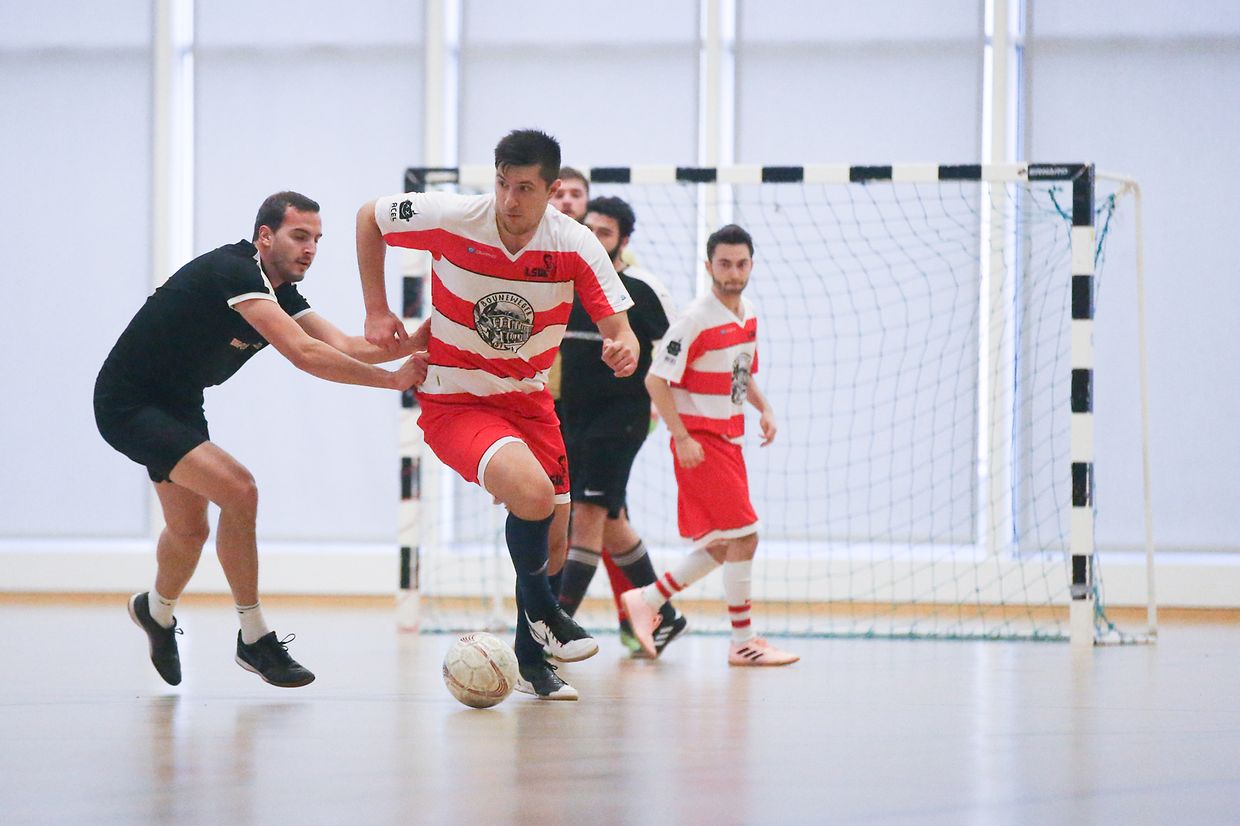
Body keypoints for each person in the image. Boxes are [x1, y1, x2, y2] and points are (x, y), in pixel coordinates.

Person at [95, 192, 428, 688]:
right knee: (240, 490)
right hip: (129, 402)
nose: (310, 249)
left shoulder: (279, 292)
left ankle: (155, 611)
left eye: (317, 240)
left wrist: (421, 342)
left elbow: (341, 345)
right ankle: (254, 637)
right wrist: (391, 381)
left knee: (189, 532)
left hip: (178, 404)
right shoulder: (236, 272)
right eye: (300, 236)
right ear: (265, 236)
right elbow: (303, 354)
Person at [356, 129, 640, 700]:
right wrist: (377, 308)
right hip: (455, 398)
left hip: (529, 402)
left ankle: (531, 664)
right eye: (503, 184)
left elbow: (621, 329)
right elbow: (369, 217)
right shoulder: (453, 217)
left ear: (552, 191)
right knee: (533, 495)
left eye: (526, 188)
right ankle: (547, 615)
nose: (510, 199)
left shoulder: (575, 244)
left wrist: (624, 348)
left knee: (554, 543)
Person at [622, 224, 799, 666]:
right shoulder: (694, 319)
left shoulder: (748, 315)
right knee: (746, 536)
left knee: (723, 544)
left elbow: (742, 374)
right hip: (701, 442)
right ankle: (743, 641)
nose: (733, 273)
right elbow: (655, 380)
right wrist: (682, 437)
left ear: (751, 265)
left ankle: (647, 600)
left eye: (741, 264)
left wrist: (765, 408)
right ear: (708, 266)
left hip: (731, 440)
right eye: (724, 264)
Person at [557, 196, 688, 656]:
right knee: (612, 521)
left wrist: (667, 411)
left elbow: (676, 352)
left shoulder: (641, 291)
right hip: (573, 420)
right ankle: (664, 615)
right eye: (589, 229)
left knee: (586, 520)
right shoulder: (566, 285)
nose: (594, 238)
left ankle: (553, 630)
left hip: (622, 421)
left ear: (623, 240)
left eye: (605, 232)